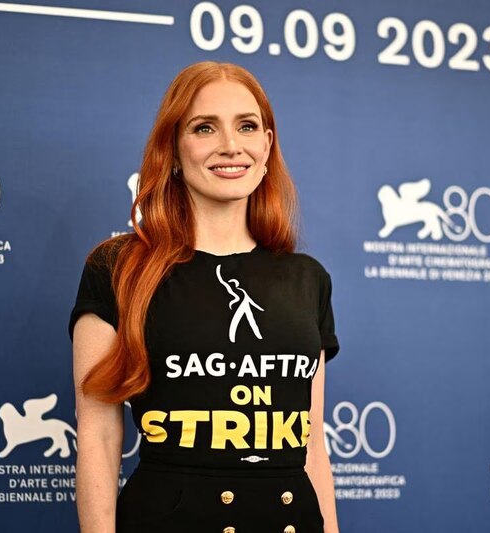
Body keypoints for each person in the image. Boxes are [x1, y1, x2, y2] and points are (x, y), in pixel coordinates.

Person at [69, 61, 341, 533]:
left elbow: (312, 442)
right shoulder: (117, 269)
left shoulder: (307, 279)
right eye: (204, 127)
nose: (230, 146)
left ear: (267, 146)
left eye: (247, 126)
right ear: (173, 148)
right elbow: (97, 434)